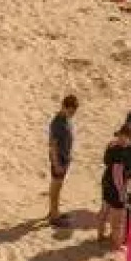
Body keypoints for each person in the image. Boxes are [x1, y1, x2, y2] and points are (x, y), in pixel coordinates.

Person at [97, 123, 131, 246]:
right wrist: (122, 192)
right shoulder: (122, 152)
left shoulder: (111, 145)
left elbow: (107, 163)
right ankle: (116, 243)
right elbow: (117, 174)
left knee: (104, 209)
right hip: (116, 186)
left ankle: (100, 235)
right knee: (117, 218)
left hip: (106, 182)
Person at [48, 95, 79, 225]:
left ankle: (54, 211)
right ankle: (54, 217)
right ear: (64, 107)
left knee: (58, 186)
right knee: (56, 187)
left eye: (74, 112)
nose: (72, 114)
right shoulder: (57, 123)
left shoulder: (66, 119)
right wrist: (56, 164)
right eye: (71, 111)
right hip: (59, 159)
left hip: (64, 159)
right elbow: (52, 145)